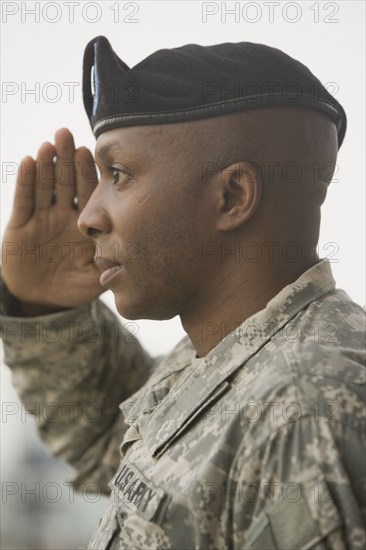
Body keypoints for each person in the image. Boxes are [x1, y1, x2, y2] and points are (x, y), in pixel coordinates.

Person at [1, 36, 365, 549]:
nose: (88, 216)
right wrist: (45, 308)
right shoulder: (227, 354)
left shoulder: (305, 405)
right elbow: (121, 446)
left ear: (232, 196)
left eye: (119, 174)